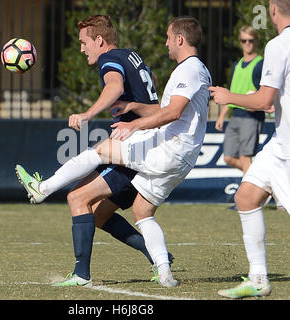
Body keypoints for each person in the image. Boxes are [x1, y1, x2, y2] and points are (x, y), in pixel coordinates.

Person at [16, 16, 211, 288]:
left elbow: (114, 86)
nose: (82, 49)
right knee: (110, 213)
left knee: (78, 194)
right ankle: (159, 257)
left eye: (84, 43)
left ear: (99, 40)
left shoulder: (111, 61)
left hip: (147, 147)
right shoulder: (132, 56)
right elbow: (157, 101)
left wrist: (88, 113)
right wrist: (134, 107)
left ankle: (44, 191)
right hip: (153, 145)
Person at [210, 0, 290, 299]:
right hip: (279, 144)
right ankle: (258, 279)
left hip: (289, 147)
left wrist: (227, 96)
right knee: (246, 197)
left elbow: (264, 101)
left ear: (272, 10)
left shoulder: (278, 45)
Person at [215, 26, 265, 210]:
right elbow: (231, 92)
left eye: (250, 40)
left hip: (251, 116)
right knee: (228, 157)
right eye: (244, 40)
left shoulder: (260, 64)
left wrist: (256, 100)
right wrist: (222, 115)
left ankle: (248, 199)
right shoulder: (237, 65)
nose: (247, 44)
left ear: (255, 42)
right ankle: (262, 183)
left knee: (245, 157)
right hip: (236, 115)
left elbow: (266, 92)